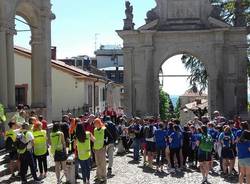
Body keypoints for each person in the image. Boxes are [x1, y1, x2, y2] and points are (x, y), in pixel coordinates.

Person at [93, 118, 108, 183]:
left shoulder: (104, 129)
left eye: (95, 123)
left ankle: (104, 177)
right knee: (97, 163)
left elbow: (108, 138)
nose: (94, 124)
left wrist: (105, 144)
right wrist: (93, 146)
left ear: (99, 123)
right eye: (94, 123)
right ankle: (98, 176)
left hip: (102, 148)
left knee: (103, 163)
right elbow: (94, 139)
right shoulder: (95, 130)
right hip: (96, 149)